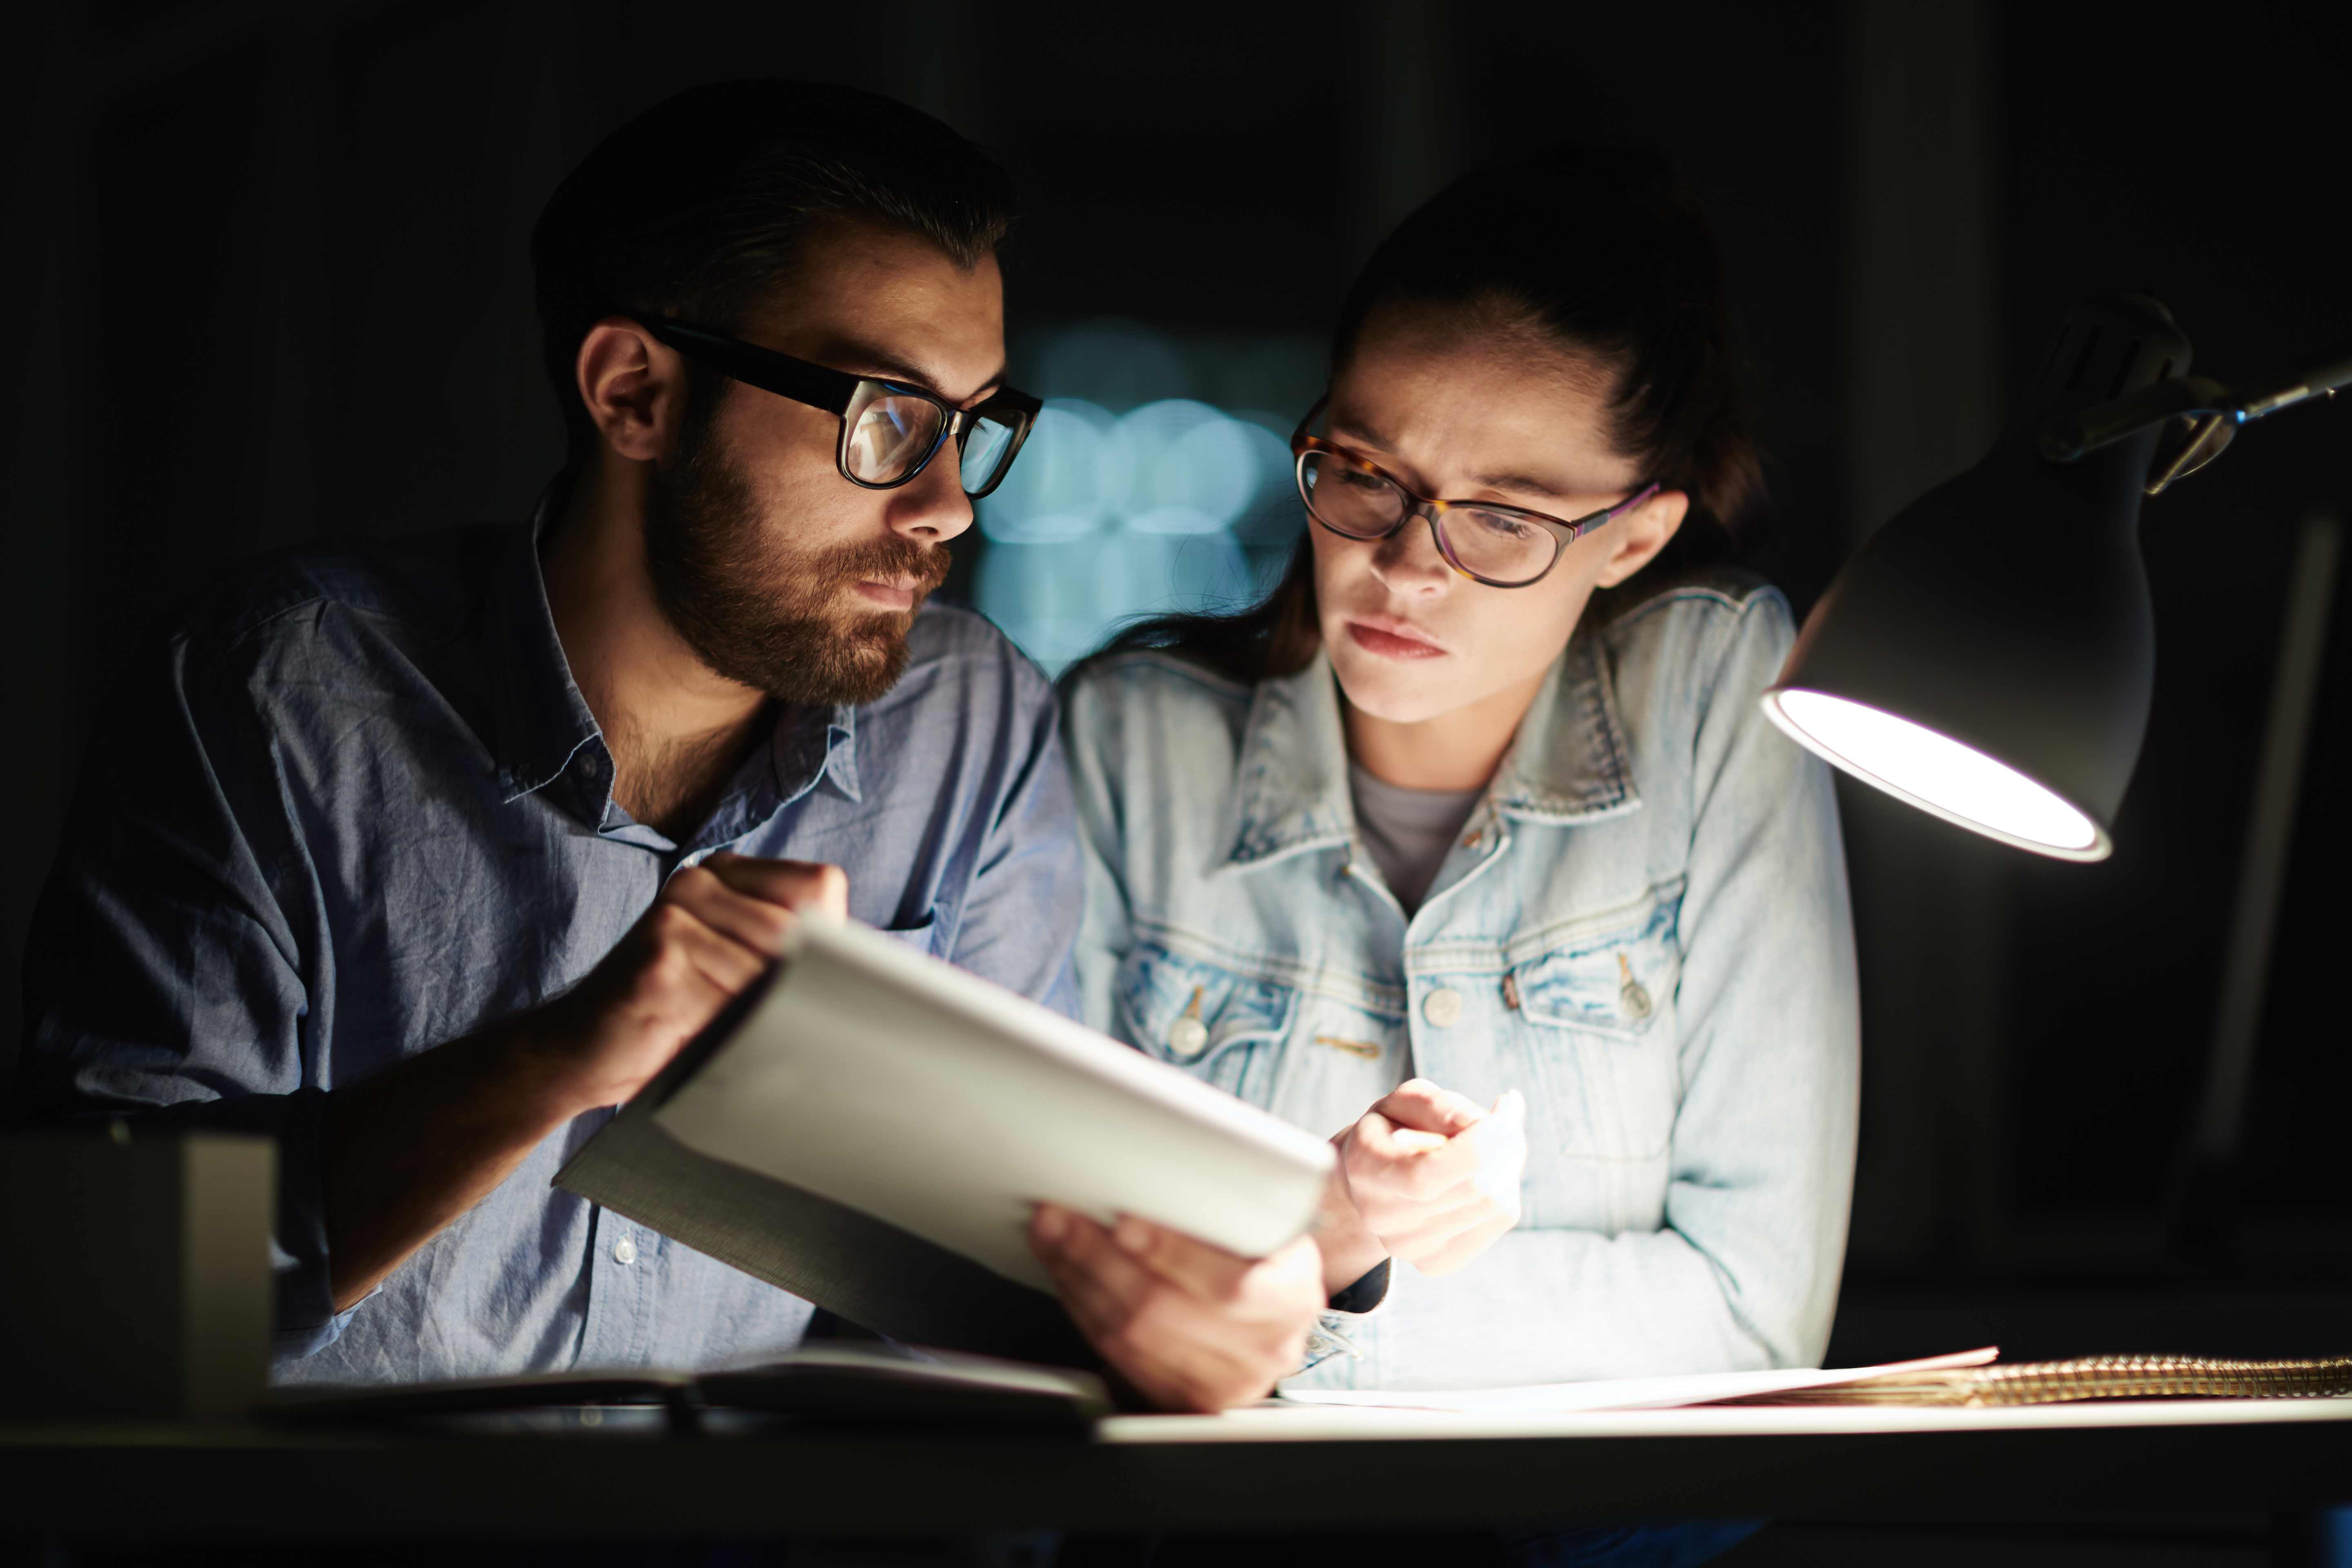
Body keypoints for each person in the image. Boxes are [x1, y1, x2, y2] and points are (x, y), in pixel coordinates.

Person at [11, 79, 1322, 1413]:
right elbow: (87, 1306)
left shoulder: (967, 725)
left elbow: (1004, 1289)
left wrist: (1218, 1299)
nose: (945, 511)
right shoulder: (276, 690)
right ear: (634, 392)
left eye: (974, 427)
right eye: (888, 419)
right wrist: (552, 1060)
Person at [1062, 146, 1859, 1417]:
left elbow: (1754, 1313)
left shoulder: (1710, 683)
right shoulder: (1129, 742)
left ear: (1634, 536)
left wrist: (1296, 1301)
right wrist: (1308, 1257)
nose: (1407, 567)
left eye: (1503, 516)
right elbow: (1056, 1277)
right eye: (1367, 472)